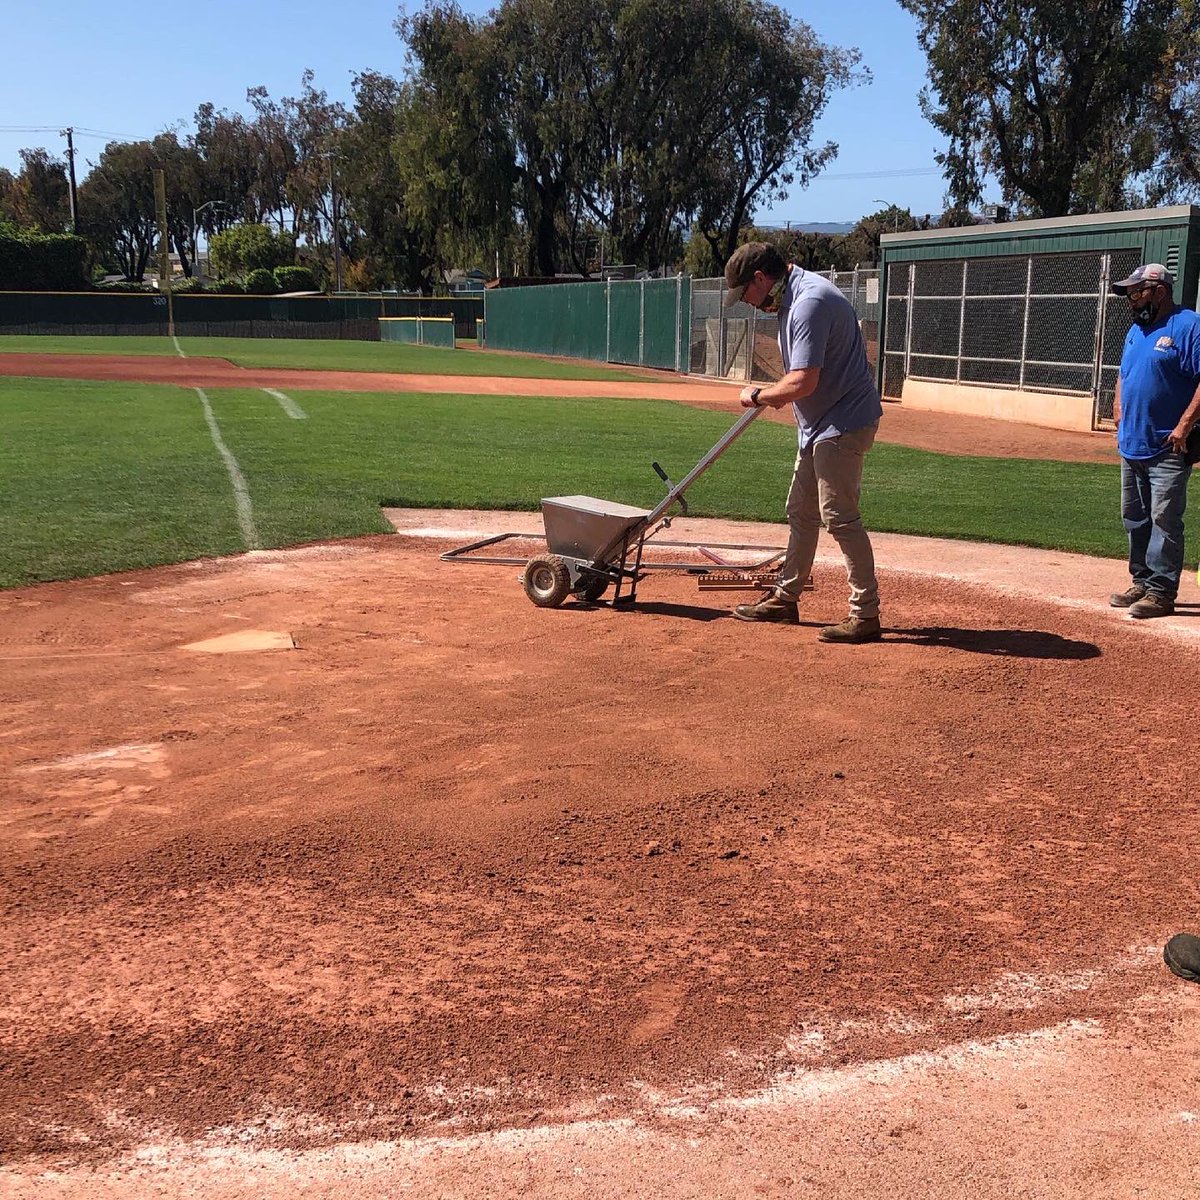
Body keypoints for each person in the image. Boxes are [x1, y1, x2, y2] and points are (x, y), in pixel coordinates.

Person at [722, 242, 883, 643]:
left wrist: (758, 395)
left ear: (761, 278)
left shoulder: (809, 302)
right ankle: (785, 597)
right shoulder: (792, 298)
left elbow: (803, 381)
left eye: (745, 293)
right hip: (819, 426)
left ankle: (865, 614)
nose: (746, 302)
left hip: (842, 425)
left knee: (840, 517)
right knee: (801, 511)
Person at [1109, 263, 1200, 619]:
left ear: (1159, 291)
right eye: (1130, 294)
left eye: (1137, 292)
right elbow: (1124, 373)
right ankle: (1142, 580)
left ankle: (1161, 591)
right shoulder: (1136, 330)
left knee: (1164, 518)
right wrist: (1117, 404)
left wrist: (1184, 425)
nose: (1132, 300)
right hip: (1132, 443)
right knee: (1134, 517)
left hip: (1168, 446)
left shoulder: (1188, 325)